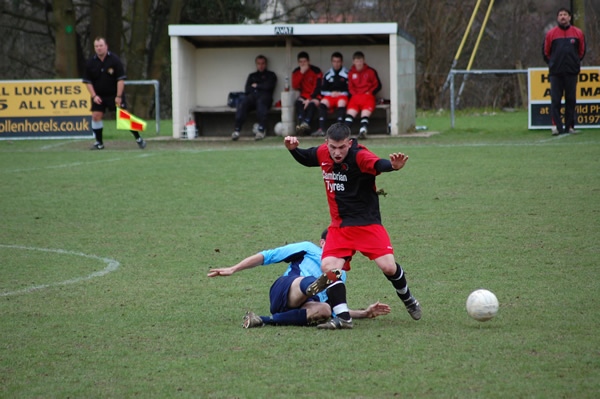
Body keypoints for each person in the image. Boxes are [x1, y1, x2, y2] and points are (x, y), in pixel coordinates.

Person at [283, 123, 421, 330]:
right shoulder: (323, 153)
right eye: (333, 147)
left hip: (367, 224)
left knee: (388, 267)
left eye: (341, 147)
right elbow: (307, 157)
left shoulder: (359, 156)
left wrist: (392, 166)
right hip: (339, 227)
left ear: (349, 143)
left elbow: (377, 164)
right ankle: (343, 317)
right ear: (326, 143)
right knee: (329, 268)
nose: (337, 153)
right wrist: (293, 150)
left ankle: (408, 299)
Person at [207, 229, 391, 328]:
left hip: (302, 305)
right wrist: (234, 268)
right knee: (312, 280)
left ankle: (263, 320)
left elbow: (337, 312)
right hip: (285, 289)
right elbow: (267, 256)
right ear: (322, 243)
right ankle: (312, 285)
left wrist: (365, 313)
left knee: (325, 309)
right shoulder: (308, 249)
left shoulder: (341, 274)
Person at [83, 37, 146, 150]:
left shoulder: (114, 60)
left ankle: (138, 138)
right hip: (99, 96)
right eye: (96, 46)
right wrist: (94, 96)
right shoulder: (91, 62)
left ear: (106, 46)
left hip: (114, 94)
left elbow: (120, 80)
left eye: (101, 46)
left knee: (124, 117)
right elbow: (88, 82)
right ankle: (99, 143)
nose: (99, 48)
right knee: (96, 116)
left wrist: (118, 96)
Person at [542, 7, 586, 136]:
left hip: (571, 72)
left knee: (570, 100)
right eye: (560, 15)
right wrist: (553, 64)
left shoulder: (577, 33)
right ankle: (556, 126)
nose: (563, 17)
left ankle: (569, 126)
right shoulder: (551, 34)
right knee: (556, 100)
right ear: (557, 18)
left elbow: (581, 51)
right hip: (556, 72)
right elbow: (546, 52)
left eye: (565, 14)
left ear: (569, 17)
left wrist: (574, 63)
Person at [231, 55, 277, 141]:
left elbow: (269, 86)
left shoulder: (271, 75)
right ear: (256, 64)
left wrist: (257, 86)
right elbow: (247, 89)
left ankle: (261, 130)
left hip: (265, 98)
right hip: (253, 97)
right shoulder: (252, 76)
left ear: (266, 64)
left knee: (261, 103)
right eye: (259, 63)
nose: (261, 65)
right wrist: (261, 87)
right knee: (243, 102)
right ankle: (237, 130)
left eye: (263, 63)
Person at [344, 51, 382, 139]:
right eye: (357, 61)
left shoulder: (371, 71)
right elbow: (350, 87)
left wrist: (370, 92)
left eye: (360, 61)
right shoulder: (350, 73)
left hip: (367, 96)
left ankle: (363, 130)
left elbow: (378, 85)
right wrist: (355, 94)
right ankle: (344, 134)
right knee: (350, 114)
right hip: (355, 97)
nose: (359, 63)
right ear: (353, 62)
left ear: (364, 61)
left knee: (365, 113)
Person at [312, 52, 350, 137]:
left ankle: (340, 130)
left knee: (341, 103)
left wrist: (340, 93)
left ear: (341, 62)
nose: (336, 64)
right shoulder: (328, 74)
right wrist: (331, 93)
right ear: (331, 62)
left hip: (342, 96)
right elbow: (322, 90)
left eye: (338, 61)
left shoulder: (347, 74)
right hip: (330, 96)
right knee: (323, 102)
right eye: (334, 61)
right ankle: (321, 129)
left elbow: (350, 90)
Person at [291, 51, 323, 135]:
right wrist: (301, 73)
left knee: (312, 104)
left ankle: (306, 123)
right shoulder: (296, 71)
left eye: (304, 61)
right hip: (304, 96)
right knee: (298, 103)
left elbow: (318, 87)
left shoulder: (316, 71)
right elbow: (295, 85)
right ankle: (302, 124)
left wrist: (310, 99)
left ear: (308, 61)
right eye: (301, 62)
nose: (303, 64)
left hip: (315, 96)